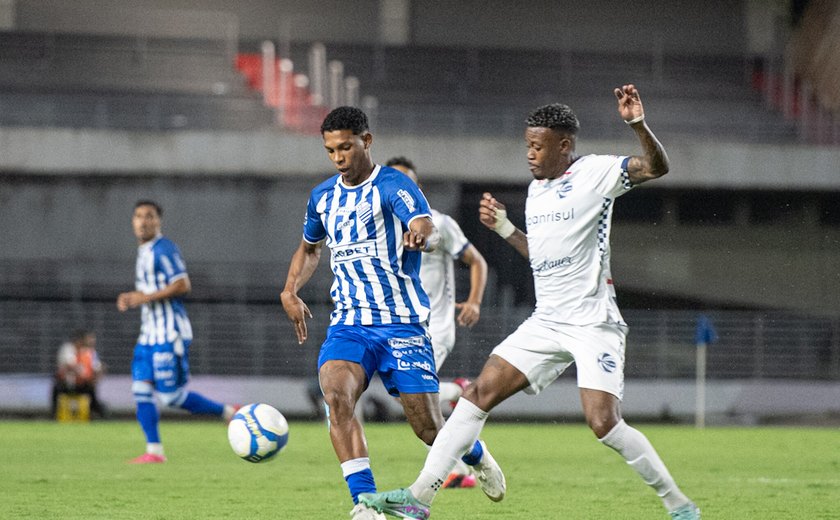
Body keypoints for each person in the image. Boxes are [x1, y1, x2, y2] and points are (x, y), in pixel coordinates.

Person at [360, 85, 701, 520]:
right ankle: (418, 499)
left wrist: (637, 125)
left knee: (603, 423)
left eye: (538, 146)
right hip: (547, 322)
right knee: (478, 394)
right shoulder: (537, 191)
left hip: (593, 321)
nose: (530, 154)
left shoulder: (597, 173)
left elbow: (657, 166)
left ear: (564, 145)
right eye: (527, 145)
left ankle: (679, 505)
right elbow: (541, 257)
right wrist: (504, 227)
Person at [280, 106, 504, 520]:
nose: (339, 157)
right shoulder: (322, 197)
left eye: (346, 146)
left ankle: (474, 452)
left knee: (427, 428)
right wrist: (290, 289)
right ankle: (365, 505)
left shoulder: (393, 184)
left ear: (366, 141)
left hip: (401, 322)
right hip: (350, 323)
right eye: (331, 150)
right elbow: (310, 249)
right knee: (336, 396)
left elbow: (424, 224)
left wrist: (420, 234)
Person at [386, 156, 488, 489]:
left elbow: (477, 261)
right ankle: (458, 392)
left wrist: (473, 301)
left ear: (416, 188)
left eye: (407, 183)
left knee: (413, 400)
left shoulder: (439, 224)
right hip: (403, 328)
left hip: (437, 328)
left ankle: (458, 468)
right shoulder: (383, 230)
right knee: (409, 401)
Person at [117, 200, 238, 464]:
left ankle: (228, 412)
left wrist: (143, 298)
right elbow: (148, 291)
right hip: (148, 335)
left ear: (158, 221)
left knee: (171, 397)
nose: (143, 221)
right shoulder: (144, 251)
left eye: (149, 216)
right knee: (140, 390)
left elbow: (182, 284)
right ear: (133, 221)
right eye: (138, 216)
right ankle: (154, 451)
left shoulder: (163, 249)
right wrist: (133, 298)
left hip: (169, 333)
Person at [51, 329, 108, 419]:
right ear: (80, 340)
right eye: (89, 339)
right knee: (56, 388)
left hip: (83, 384)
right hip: (66, 384)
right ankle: (55, 414)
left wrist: (96, 374)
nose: (91, 341)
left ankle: (95, 413)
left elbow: (97, 367)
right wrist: (80, 372)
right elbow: (69, 365)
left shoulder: (89, 352)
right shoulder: (68, 349)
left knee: (92, 391)